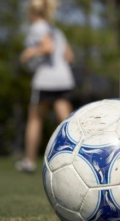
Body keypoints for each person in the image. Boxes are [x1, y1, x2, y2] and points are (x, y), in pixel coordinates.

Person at [16, 0, 75, 173]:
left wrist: (29, 53)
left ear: (32, 12)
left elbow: (47, 47)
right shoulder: (57, 30)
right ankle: (78, 157)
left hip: (46, 80)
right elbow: (69, 56)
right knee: (67, 123)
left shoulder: (37, 27)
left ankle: (28, 161)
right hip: (63, 78)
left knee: (35, 119)